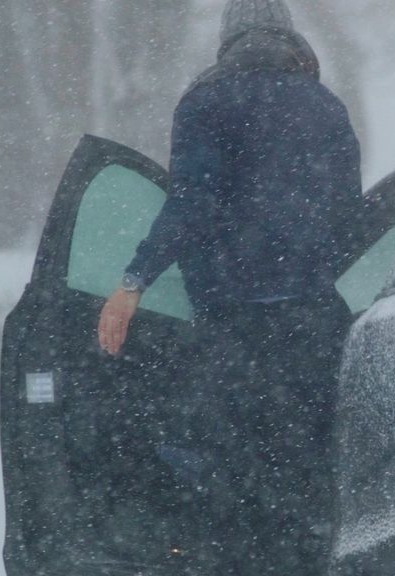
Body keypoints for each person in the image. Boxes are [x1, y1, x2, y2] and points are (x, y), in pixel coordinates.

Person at [97, 0, 364, 573]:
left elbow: (189, 204)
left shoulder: (206, 102)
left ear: (227, 43)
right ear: (292, 40)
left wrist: (134, 279)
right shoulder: (326, 108)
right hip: (315, 326)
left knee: (231, 482)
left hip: (234, 332)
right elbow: (351, 222)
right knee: (311, 475)